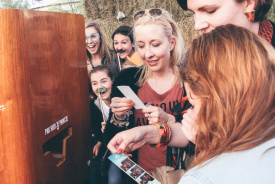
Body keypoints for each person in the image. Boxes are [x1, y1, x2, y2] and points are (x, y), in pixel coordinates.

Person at [108, 24, 275, 184]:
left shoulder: (200, 178)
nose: (189, 113)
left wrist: (203, 140)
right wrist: (145, 133)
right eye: (141, 45)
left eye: (193, 104)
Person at [104, 8, 189, 175]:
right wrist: (118, 117)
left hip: (181, 172)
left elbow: (200, 135)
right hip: (140, 174)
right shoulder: (126, 80)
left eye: (155, 44)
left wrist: (169, 119)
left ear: (171, 43)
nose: (148, 54)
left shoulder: (189, 81)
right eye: (141, 46)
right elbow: (111, 138)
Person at [176, 0, 275, 46]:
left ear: (249, 3)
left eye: (210, 10)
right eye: (193, 13)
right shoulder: (197, 62)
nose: (197, 26)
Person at [85, 65, 114, 184]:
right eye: (95, 83)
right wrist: (102, 136)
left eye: (104, 81)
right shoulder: (93, 107)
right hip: (110, 149)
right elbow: (99, 134)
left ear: (113, 81)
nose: (100, 87)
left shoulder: (122, 101)